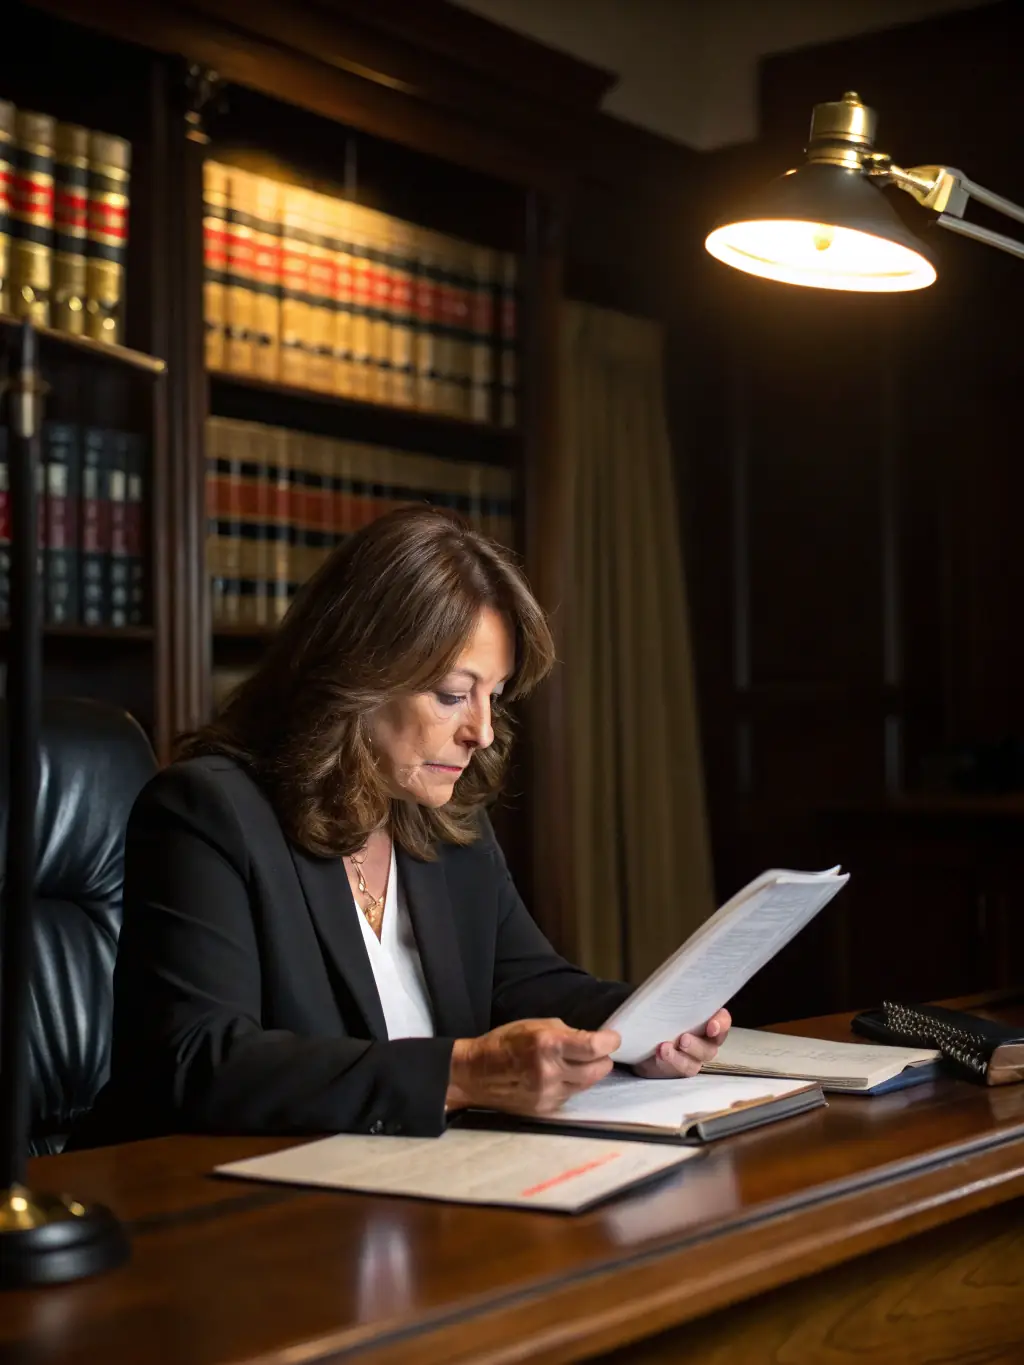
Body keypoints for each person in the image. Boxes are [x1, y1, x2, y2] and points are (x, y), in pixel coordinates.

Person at [73, 506, 730, 1147]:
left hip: (411, 1178)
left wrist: (644, 1029)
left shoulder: (444, 817)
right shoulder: (206, 811)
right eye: (452, 695)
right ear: (357, 676)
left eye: (494, 696)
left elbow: (528, 984)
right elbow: (201, 1060)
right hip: (220, 1190)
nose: (482, 731)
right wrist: (460, 1073)